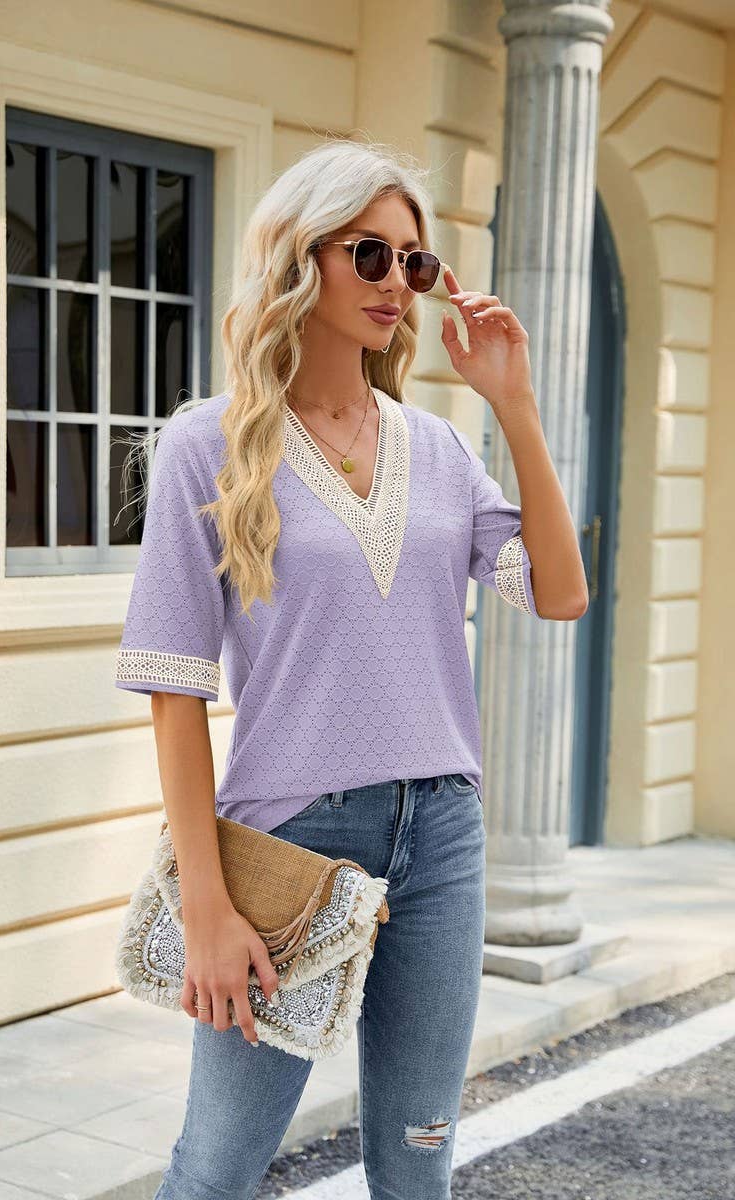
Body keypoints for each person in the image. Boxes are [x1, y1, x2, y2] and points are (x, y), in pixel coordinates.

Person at [114, 138, 587, 1199]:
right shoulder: (210, 444)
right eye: (369, 254)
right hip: (290, 840)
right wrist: (205, 904)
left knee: (418, 1164)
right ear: (301, 257)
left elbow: (559, 594)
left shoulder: (441, 449)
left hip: (444, 835)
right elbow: (174, 691)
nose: (396, 283)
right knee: (219, 1166)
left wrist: (513, 405)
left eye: (413, 262)